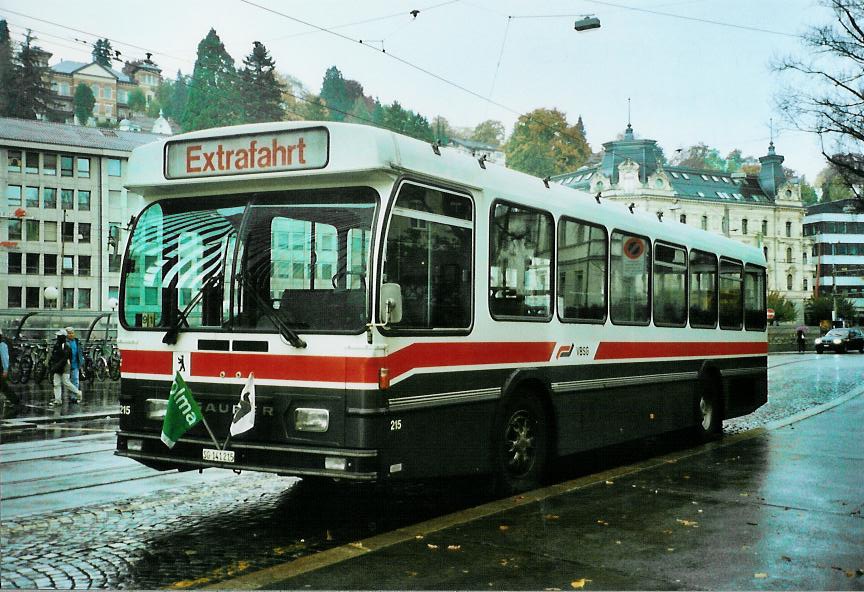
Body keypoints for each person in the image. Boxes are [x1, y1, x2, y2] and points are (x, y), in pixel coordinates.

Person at [49, 329, 82, 407]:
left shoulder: (66, 345)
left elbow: (65, 357)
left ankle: (78, 392)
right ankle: (58, 400)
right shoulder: (57, 345)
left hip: (64, 367)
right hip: (58, 366)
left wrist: (55, 366)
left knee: (66, 382)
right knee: (56, 383)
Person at [65, 326, 84, 402]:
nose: (71, 335)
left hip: (75, 364)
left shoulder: (77, 342)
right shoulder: (65, 342)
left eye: (72, 333)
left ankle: (73, 396)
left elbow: (80, 353)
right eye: (69, 333)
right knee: (66, 381)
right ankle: (74, 394)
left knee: (75, 380)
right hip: (66, 365)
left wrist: (81, 362)